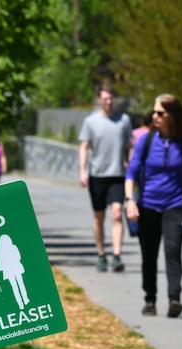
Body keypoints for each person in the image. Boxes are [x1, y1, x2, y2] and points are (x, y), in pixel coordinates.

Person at [125, 94, 182, 318]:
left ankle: (174, 298)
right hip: (148, 204)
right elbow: (131, 172)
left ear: (172, 115)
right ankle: (150, 299)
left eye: (160, 113)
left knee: (172, 251)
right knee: (149, 254)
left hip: (175, 204)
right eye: (154, 112)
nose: (155, 116)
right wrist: (130, 200)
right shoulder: (147, 140)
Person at [79, 85, 132, 272]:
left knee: (117, 214)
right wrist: (82, 171)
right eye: (105, 99)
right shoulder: (90, 122)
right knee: (99, 216)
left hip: (118, 174)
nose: (109, 102)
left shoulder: (124, 120)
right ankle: (101, 254)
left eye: (111, 99)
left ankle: (116, 255)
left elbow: (129, 145)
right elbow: (84, 147)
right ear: (99, 100)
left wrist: (130, 163)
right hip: (97, 175)